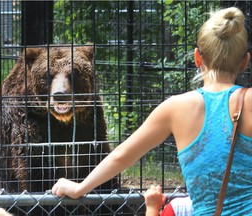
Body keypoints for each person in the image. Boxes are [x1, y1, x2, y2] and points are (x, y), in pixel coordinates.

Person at [52, 7, 252, 215]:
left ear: (197, 58)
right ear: (245, 61)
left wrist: (79, 187)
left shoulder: (175, 108)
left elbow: (121, 156)